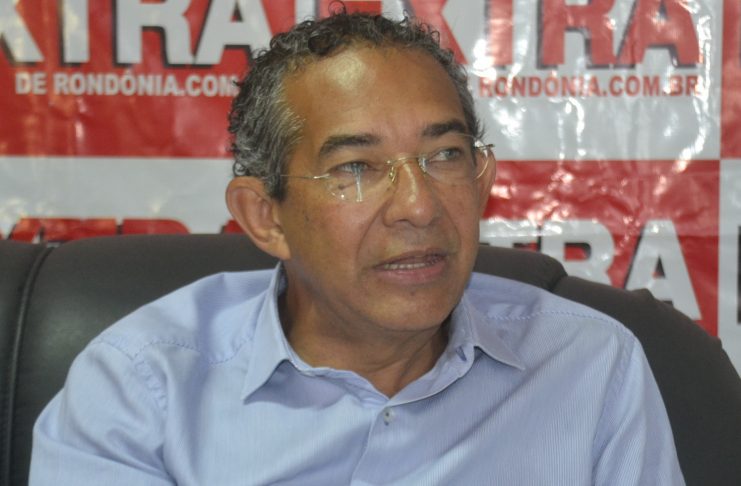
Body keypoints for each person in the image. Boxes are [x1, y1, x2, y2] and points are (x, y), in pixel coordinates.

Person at [29, 8, 685, 485]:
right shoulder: (144, 388)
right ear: (265, 217)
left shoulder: (588, 365)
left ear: (482, 179)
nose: (419, 207)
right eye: (355, 169)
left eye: (445, 155)